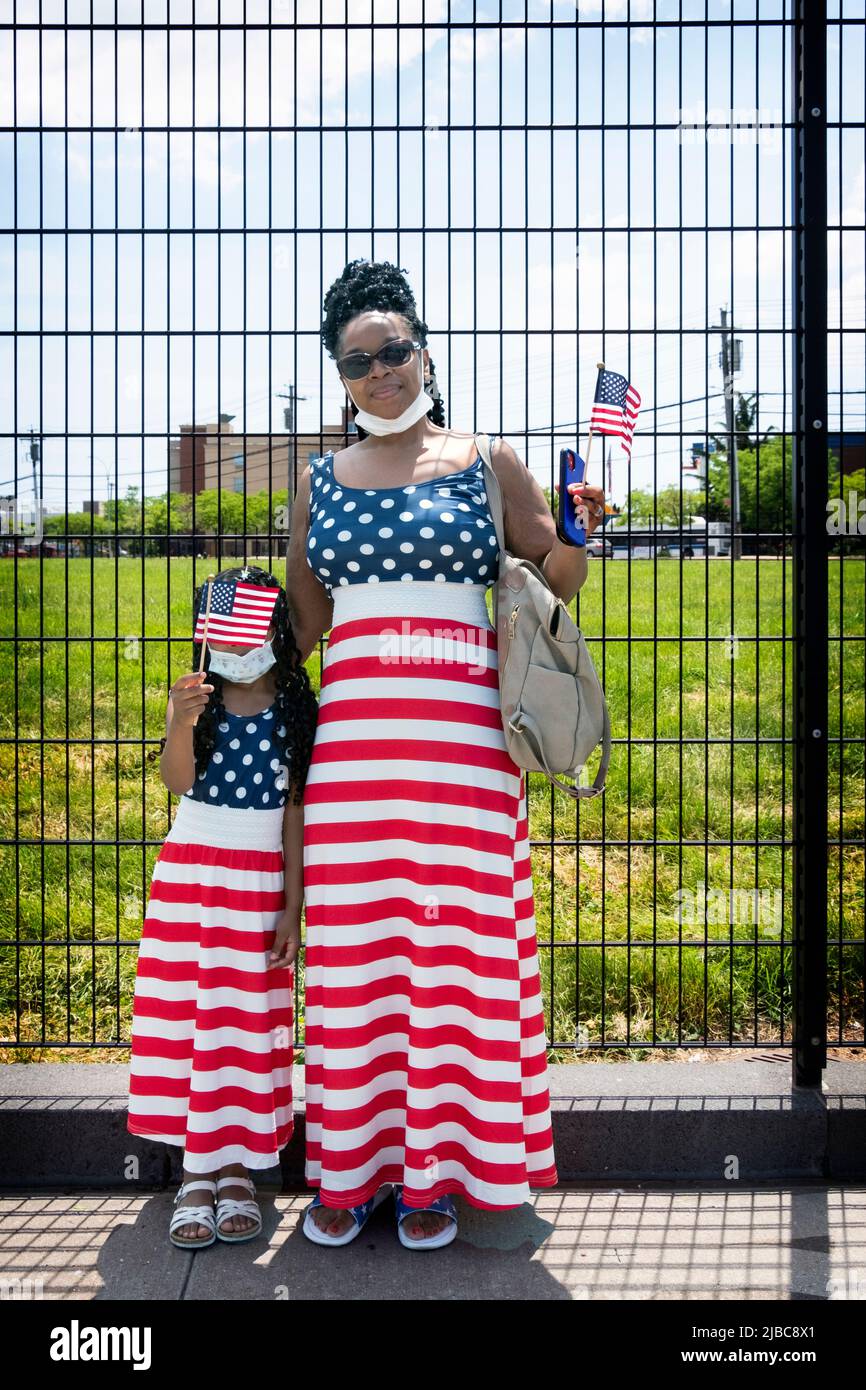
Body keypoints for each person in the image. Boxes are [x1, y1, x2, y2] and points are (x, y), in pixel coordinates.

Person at [286, 258, 607, 1250]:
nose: (380, 370)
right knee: (354, 966)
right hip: (351, 768)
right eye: (358, 360)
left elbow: (553, 575)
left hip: (466, 758)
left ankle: (432, 1178)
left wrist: (580, 533)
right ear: (340, 377)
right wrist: (223, 654)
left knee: (448, 964)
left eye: (394, 349)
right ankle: (349, 1174)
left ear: (423, 349)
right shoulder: (316, 484)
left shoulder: (482, 460)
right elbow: (302, 625)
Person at [127, 565, 319, 1248]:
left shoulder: (297, 706)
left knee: (245, 1024)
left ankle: (239, 1170)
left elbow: (296, 815)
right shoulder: (197, 700)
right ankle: (195, 1175)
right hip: (191, 880)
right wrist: (180, 723)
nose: (235, 647)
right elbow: (177, 780)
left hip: (259, 886)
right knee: (193, 1021)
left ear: (273, 632)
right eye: (220, 631)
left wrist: (291, 908)